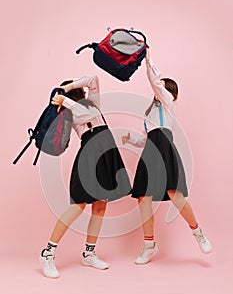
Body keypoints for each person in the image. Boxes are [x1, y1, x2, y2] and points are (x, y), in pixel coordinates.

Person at [122, 49, 212, 265]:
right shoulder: (151, 112)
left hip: (164, 147)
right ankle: (149, 245)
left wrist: (147, 59)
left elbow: (155, 82)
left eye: (161, 86)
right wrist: (131, 138)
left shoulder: (169, 101)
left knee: (175, 194)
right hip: (150, 148)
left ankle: (199, 233)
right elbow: (146, 138)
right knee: (143, 199)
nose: (157, 88)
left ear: (168, 90)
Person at [40, 75, 131, 278]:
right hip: (90, 153)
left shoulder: (92, 104)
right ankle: (48, 252)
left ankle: (89, 254)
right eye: (79, 90)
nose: (84, 90)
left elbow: (93, 79)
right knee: (78, 206)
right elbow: (79, 112)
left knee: (100, 204)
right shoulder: (71, 111)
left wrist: (69, 87)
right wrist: (65, 100)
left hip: (106, 150)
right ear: (77, 95)